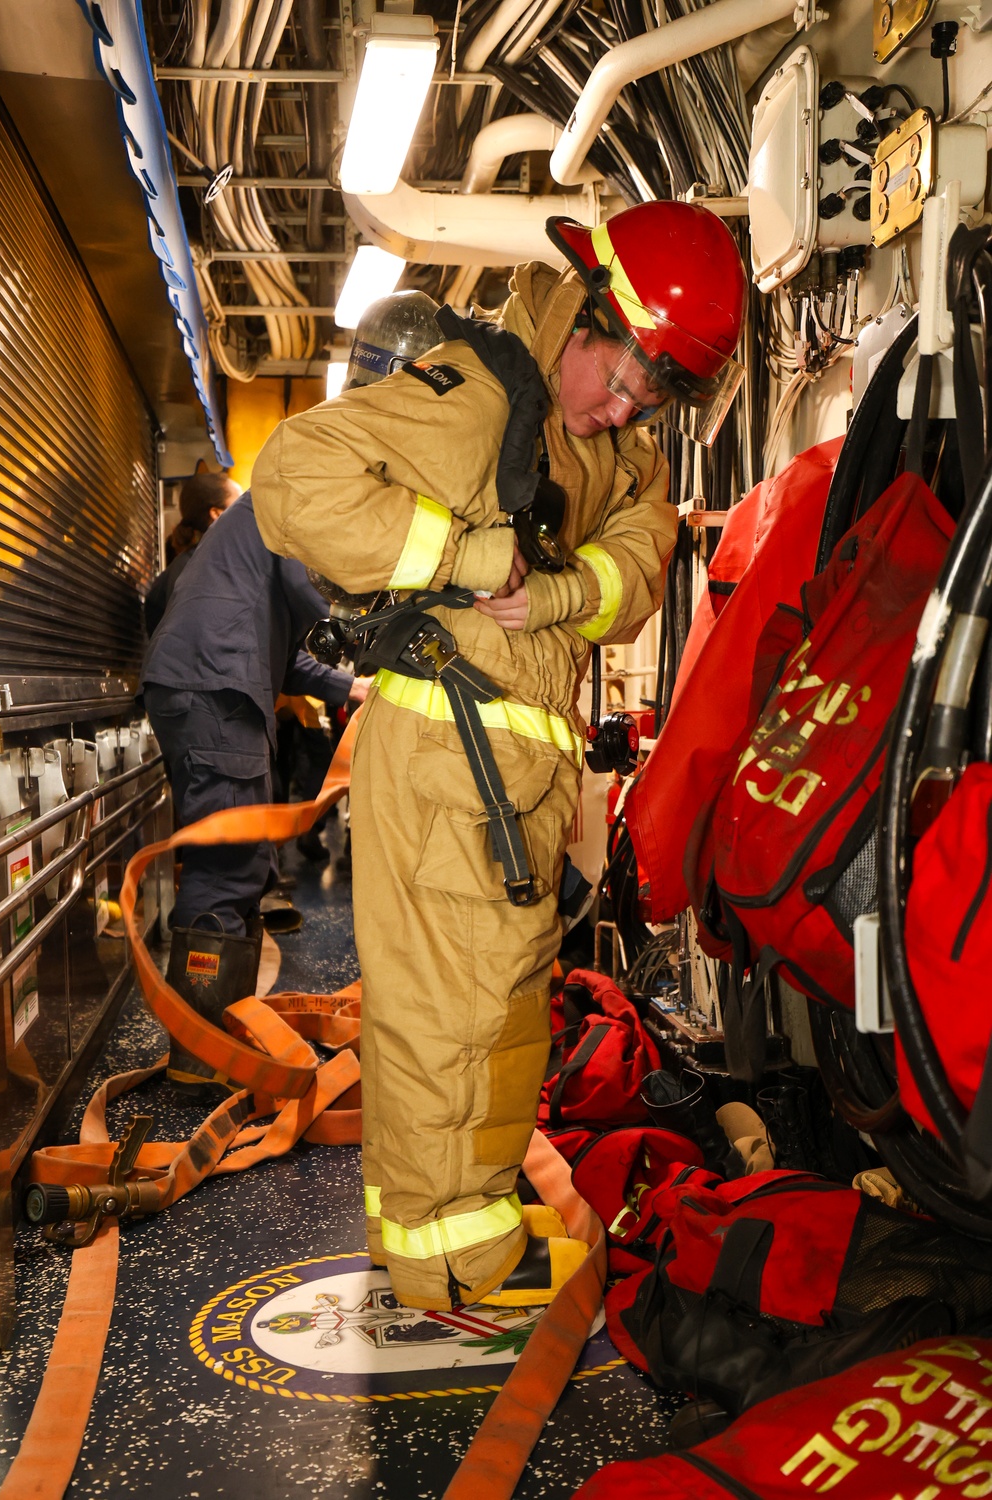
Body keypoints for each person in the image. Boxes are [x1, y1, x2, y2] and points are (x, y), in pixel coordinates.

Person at [250, 202, 747, 1311]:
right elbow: (294, 479)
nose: (623, 406)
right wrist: (470, 552)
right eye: (617, 372)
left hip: (505, 778)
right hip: (443, 763)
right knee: (448, 1014)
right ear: (582, 311)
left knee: (500, 1006)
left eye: (651, 391)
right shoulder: (481, 403)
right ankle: (445, 1258)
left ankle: (464, 1218)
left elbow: (640, 550)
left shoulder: (606, 448)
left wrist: (564, 588)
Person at [140, 490, 362, 1091]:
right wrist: (370, 637)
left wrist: (354, 689)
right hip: (216, 687)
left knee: (233, 857)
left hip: (206, 682)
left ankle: (215, 1040)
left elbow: (291, 662)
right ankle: (200, 1056)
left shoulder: (260, 525)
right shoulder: (296, 494)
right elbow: (314, 594)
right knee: (229, 863)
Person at [145, 471, 241, 634]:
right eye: (239, 505)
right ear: (217, 514)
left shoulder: (194, 566)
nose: (249, 515)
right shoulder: (201, 571)